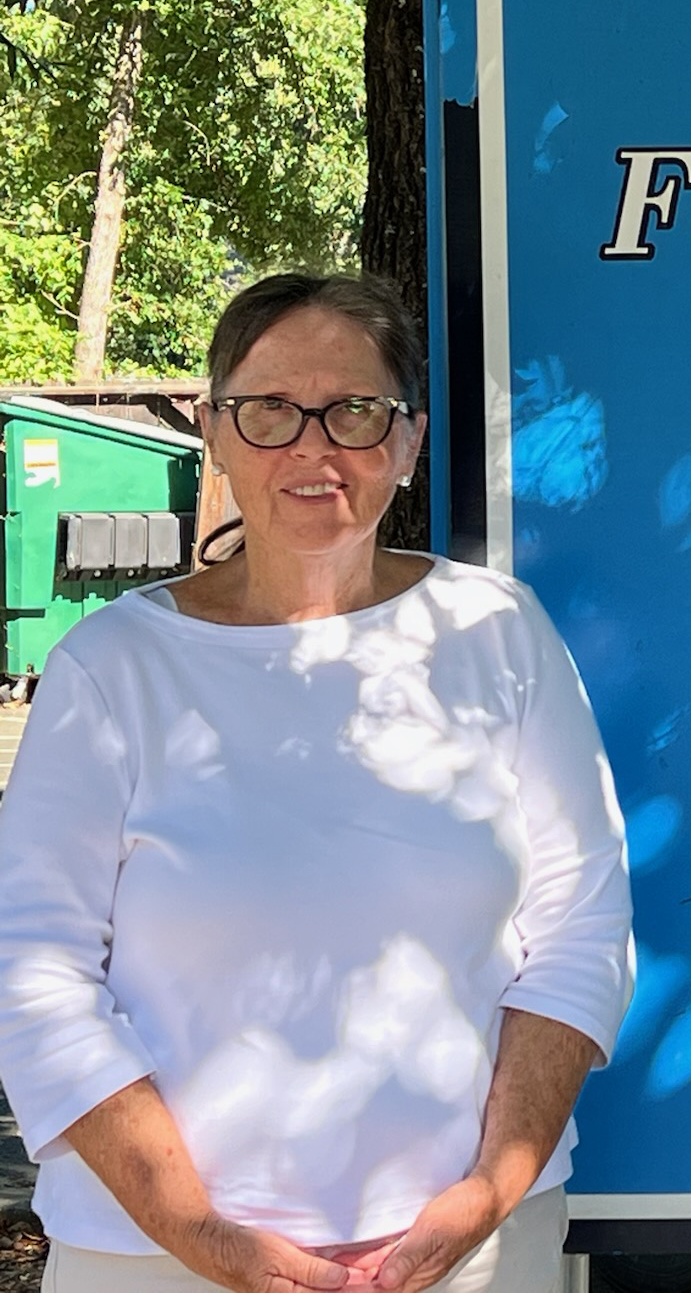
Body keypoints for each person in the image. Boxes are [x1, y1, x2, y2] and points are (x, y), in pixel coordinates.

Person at [0, 273, 634, 1293]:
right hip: (157, 1257)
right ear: (213, 428)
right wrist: (201, 1233)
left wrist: (489, 1186)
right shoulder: (112, 669)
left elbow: (581, 931)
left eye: (354, 411)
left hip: (469, 1251)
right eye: (267, 411)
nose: (312, 448)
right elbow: (33, 977)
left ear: (409, 440)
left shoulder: (495, 633)